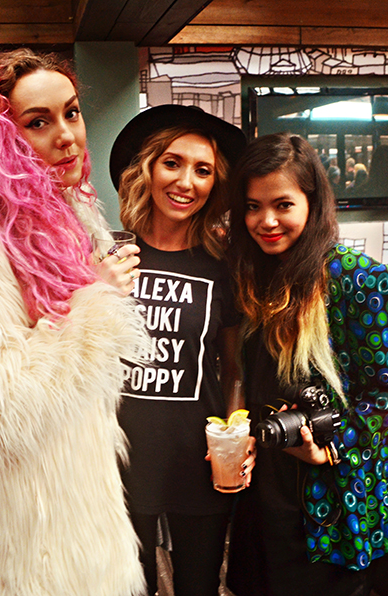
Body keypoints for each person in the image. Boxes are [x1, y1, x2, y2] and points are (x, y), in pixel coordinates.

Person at [0, 49, 149, 596]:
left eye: (71, 112)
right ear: (1, 136)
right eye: (38, 122)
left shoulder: (69, 211)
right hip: (29, 523)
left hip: (86, 495)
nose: (67, 136)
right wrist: (96, 300)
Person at [224, 133, 388, 596]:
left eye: (283, 205)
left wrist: (330, 448)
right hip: (262, 484)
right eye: (252, 207)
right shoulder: (251, 275)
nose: (266, 221)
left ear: (312, 203)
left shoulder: (355, 276)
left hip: (330, 493)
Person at [109, 104, 251, 596]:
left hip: (199, 459)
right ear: (148, 169)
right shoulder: (113, 256)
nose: (186, 182)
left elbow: (234, 367)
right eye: (172, 163)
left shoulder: (224, 265)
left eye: (203, 170)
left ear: (216, 183)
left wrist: (234, 436)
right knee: (129, 587)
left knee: (199, 586)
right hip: (120, 460)